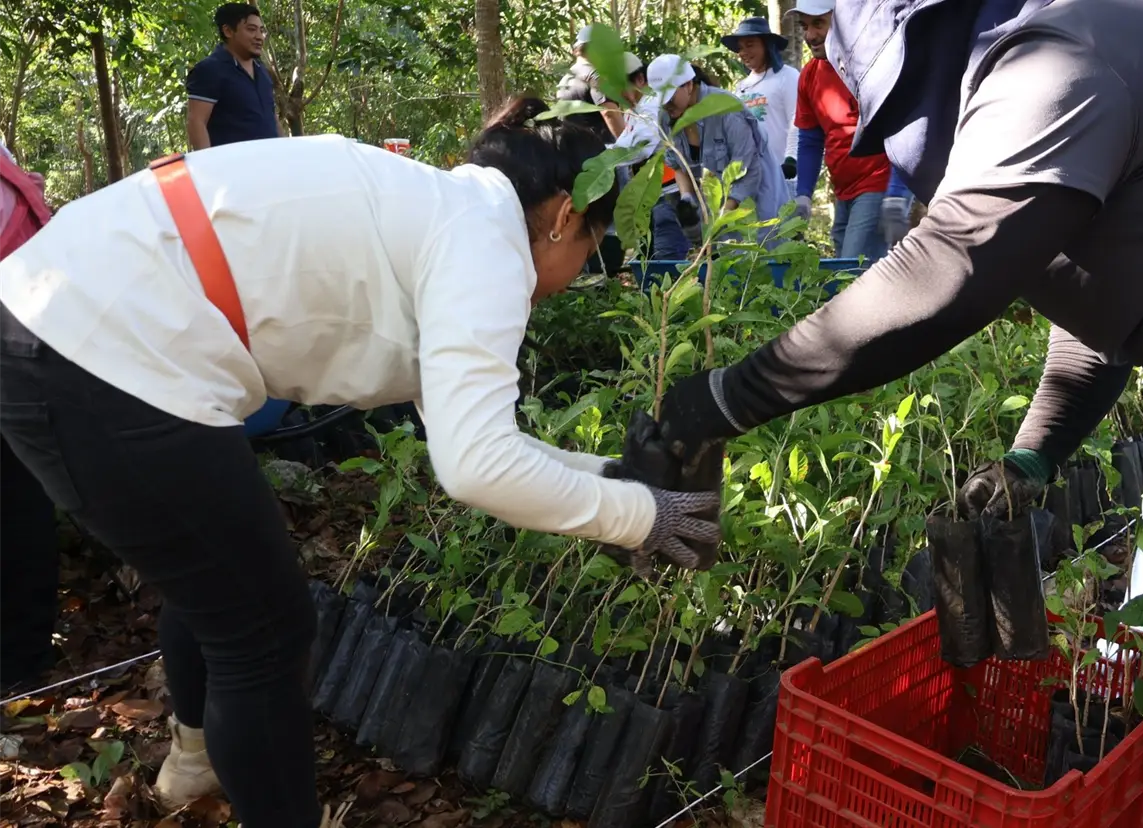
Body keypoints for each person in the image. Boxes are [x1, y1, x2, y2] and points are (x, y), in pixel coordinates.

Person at [636, 0, 1143, 826]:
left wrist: (717, 404)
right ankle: (1107, 779)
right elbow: (1103, 306)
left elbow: (944, 270)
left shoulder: (1064, 48)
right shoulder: (1072, 50)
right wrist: (1031, 455)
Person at [0, 97, 718, 828]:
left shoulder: (445, 211)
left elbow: (477, 437)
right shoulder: (488, 246)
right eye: (589, 252)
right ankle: (220, 772)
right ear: (564, 215)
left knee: (215, 572)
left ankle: (195, 761)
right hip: (97, 350)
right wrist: (643, 518)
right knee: (266, 632)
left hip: (63, 319)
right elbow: (474, 467)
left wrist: (618, 483)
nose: (572, 275)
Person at [787, 0, 911, 261]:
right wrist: (803, 195)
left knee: (853, 273)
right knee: (843, 271)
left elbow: (902, 125)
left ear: (842, 19)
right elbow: (811, 139)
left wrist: (898, 193)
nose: (810, 35)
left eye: (818, 23)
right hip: (843, 190)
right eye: (805, 26)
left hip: (878, 184)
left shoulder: (870, 62)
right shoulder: (810, 76)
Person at [0, 138, 57, 698]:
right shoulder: (11, 173)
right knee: (23, 491)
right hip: (27, 341)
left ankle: (21, 653)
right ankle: (26, 648)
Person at [647, 54, 786, 243]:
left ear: (688, 85)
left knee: (762, 257)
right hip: (720, 205)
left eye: (670, 98)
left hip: (759, 199)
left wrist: (720, 221)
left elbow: (750, 171)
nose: (666, 104)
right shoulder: (666, 117)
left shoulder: (725, 109)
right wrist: (687, 199)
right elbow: (679, 166)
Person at [611, 53, 691, 260]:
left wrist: (599, 158)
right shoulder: (633, 111)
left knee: (666, 259)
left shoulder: (652, 105)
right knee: (650, 259)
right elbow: (623, 145)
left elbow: (640, 147)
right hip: (652, 196)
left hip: (670, 192)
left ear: (639, 80)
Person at [186, 4, 280, 150]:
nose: (259, 37)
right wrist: (208, 165)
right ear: (228, 31)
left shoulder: (262, 70)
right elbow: (197, 122)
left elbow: (272, 117)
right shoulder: (210, 70)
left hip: (270, 162)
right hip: (232, 166)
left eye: (261, 31)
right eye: (251, 29)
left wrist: (285, 151)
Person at [724, 18, 800, 196]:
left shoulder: (787, 76)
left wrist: (791, 161)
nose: (743, 52)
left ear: (766, 45)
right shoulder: (742, 86)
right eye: (740, 47)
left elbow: (797, 119)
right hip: (755, 180)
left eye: (750, 45)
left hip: (785, 176)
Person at [555, 24, 626, 141]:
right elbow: (609, 113)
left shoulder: (565, 80)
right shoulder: (595, 76)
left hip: (572, 152)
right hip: (600, 150)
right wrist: (628, 146)